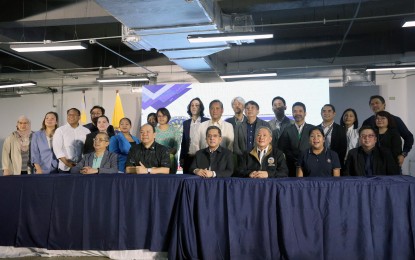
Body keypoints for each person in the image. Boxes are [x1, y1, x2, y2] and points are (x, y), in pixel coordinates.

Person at [362, 95, 413, 165]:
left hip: (392, 161)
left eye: (377, 103)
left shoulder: (395, 120)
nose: (374, 105)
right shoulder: (367, 122)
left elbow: (409, 137)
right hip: (372, 162)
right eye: (372, 104)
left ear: (384, 105)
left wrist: (403, 154)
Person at [278, 102, 314, 177]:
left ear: (305, 113)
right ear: (292, 113)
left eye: (300, 111)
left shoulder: (312, 129)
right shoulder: (287, 130)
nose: (297, 113)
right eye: (295, 111)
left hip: (310, 166)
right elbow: (281, 148)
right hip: (291, 166)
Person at [53, 108, 90, 172]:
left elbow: (89, 149)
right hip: (64, 168)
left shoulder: (86, 131)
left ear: (79, 117)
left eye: (74, 115)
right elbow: (57, 149)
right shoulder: (60, 130)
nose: (71, 117)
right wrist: (67, 163)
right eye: (69, 115)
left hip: (82, 167)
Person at [180, 98, 209, 173]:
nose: (194, 107)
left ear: (201, 108)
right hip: (188, 158)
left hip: (202, 157)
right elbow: (184, 141)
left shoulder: (207, 121)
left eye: (197, 105)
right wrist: (182, 157)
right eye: (192, 105)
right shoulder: (186, 123)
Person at [319, 104, 347, 170]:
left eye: (329, 111)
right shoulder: (315, 128)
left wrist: (334, 162)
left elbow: (343, 149)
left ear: (334, 113)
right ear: (321, 113)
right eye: (324, 111)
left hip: (334, 164)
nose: (326, 113)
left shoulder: (341, 129)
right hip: (318, 163)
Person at [155, 108, 181, 174]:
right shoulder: (153, 130)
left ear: (168, 116)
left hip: (170, 161)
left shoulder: (175, 130)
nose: (161, 118)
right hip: (155, 162)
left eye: (164, 116)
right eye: (159, 116)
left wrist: (165, 156)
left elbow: (176, 147)